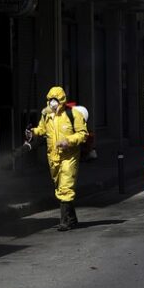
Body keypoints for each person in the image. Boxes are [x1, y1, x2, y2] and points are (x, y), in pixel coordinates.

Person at [26, 86, 88, 231]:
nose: (53, 103)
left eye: (56, 100)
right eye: (50, 100)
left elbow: (83, 134)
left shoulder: (73, 114)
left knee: (66, 186)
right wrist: (33, 132)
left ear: (61, 100)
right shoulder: (47, 115)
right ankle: (72, 218)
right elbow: (42, 129)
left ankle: (65, 221)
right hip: (53, 157)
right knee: (59, 186)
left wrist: (68, 141)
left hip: (69, 156)